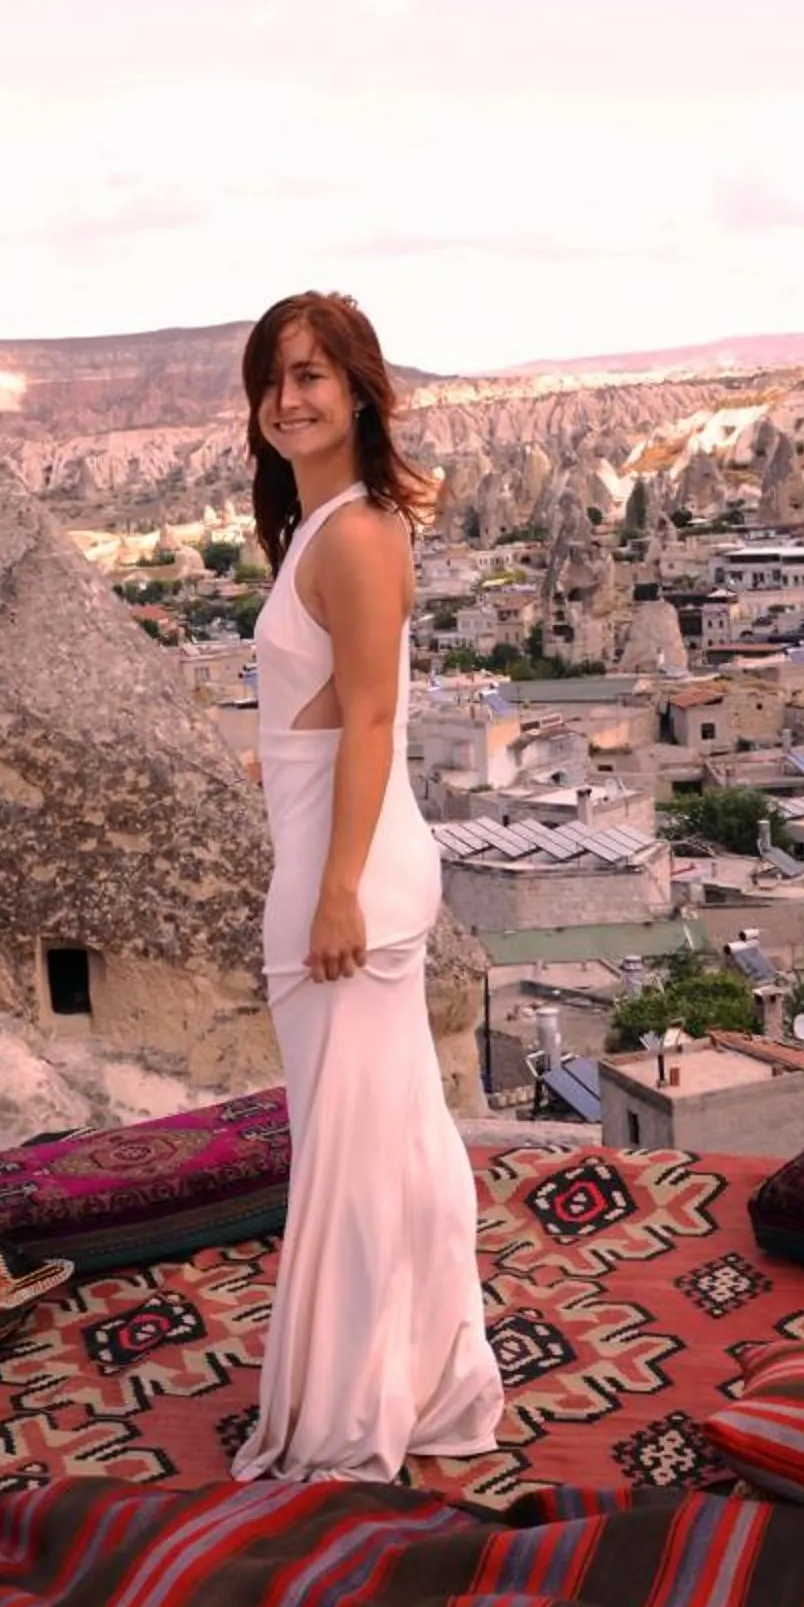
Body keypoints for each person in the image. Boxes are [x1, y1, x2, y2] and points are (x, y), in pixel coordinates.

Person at [230, 291, 504, 1484]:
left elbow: (373, 722)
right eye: (271, 378)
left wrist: (335, 890)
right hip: (337, 852)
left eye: (309, 376)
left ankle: (354, 1416)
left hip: (348, 870)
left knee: (351, 1159)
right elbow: (330, 705)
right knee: (383, 1143)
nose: (286, 399)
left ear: (356, 392)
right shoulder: (328, 524)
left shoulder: (350, 533)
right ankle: (422, 1382)